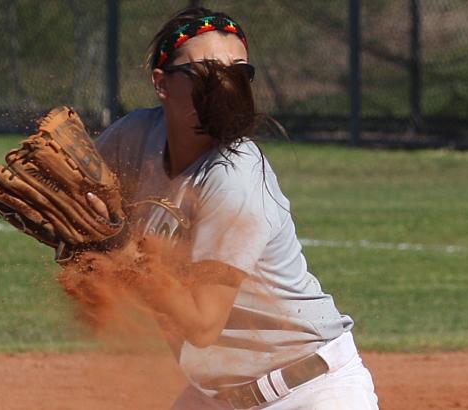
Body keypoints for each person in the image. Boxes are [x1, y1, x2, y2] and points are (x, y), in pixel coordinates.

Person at [87, 6, 379, 409]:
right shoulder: (135, 136)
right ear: (162, 83)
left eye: (237, 72)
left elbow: (203, 324)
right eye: (203, 71)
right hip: (215, 398)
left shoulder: (234, 173)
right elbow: (74, 202)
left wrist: (125, 257)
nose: (222, 84)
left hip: (307, 393)